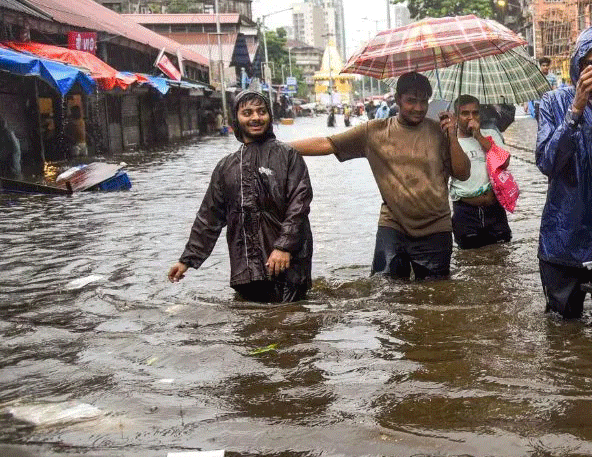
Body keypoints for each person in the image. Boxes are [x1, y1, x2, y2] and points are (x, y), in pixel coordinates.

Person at [290, 73, 470, 280]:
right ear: (398, 98)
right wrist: (277, 146)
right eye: (412, 100)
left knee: (435, 294)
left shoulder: (440, 131)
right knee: (384, 291)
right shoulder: (374, 131)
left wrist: (453, 138)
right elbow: (328, 144)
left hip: (436, 227)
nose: (419, 108)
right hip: (393, 225)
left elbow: (463, 174)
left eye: (423, 101)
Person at [167, 90, 314, 303]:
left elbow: (299, 205)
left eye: (261, 112)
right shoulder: (226, 167)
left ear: (269, 116)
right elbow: (209, 218)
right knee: (250, 327)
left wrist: (283, 246)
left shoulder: (288, 156)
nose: (255, 117)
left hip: (288, 264)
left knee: (291, 323)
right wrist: (187, 260)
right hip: (245, 267)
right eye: (247, 113)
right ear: (236, 119)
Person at [536, 26, 592, 320]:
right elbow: (547, 162)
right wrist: (575, 111)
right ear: (578, 67)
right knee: (562, 329)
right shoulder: (553, 102)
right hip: (563, 237)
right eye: (591, 64)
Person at [450, 94, 512, 249]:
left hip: (495, 210)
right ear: (456, 117)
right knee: (470, 261)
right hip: (465, 212)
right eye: (465, 113)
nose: (471, 117)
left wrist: (478, 136)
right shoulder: (451, 141)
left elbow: (504, 163)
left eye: (475, 112)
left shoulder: (491, 133)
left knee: (502, 256)